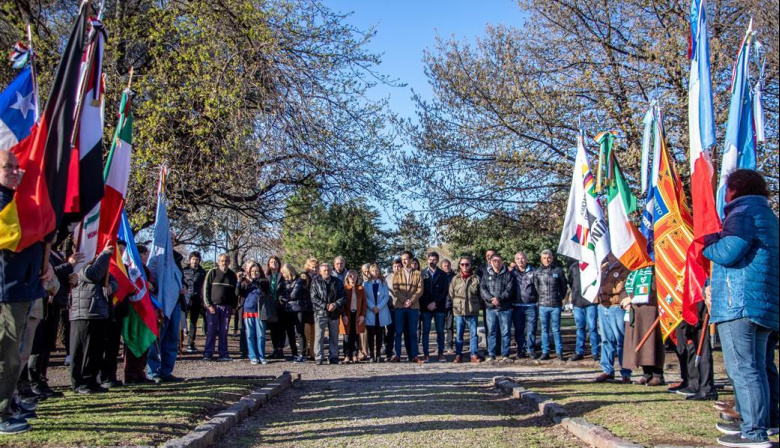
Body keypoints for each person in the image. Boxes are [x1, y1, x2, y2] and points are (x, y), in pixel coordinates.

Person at [703, 170, 778, 447]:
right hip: (761, 304)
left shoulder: (742, 213)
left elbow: (728, 252)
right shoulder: (765, 214)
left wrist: (707, 240)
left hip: (739, 303)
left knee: (744, 370)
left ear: (734, 189)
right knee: (759, 368)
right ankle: (765, 422)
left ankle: (754, 432)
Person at [69, 242, 118, 394]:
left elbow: (114, 280)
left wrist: (112, 287)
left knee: (96, 350)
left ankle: (91, 380)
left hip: (99, 312)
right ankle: (80, 382)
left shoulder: (100, 264)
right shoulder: (81, 265)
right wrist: (104, 255)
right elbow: (92, 275)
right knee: (82, 350)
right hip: (83, 312)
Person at [621, 266, 664, 386]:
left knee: (651, 343)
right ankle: (647, 373)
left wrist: (631, 298)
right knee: (639, 343)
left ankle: (657, 375)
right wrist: (624, 301)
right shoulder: (634, 271)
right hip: (635, 313)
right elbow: (624, 287)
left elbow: (655, 288)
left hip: (650, 312)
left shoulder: (655, 269)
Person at [595, 254, 631, 383]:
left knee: (621, 341)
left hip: (616, 307)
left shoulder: (624, 267)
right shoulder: (603, 267)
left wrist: (604, 288)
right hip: (603, 306)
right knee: (606, 341)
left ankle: (626, 372)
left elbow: (620, 287)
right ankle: (607, 370)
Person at [123, 244, 155, 384]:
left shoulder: (145, 270)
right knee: (133, 341)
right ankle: (131, 374)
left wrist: (151, 286)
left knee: (144, 341)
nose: (147, 256)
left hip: (146, 309)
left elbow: (152, 285)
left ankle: (140, 372)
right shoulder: (130, 268)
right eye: (144, 253)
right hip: (134, 309)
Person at [202, 253, 239, 361]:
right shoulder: (212, 272)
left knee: (224, 331)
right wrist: (208, 305)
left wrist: (234, 306)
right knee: (211, 331)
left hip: (227, 307)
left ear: (229, 262)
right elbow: (206, 289)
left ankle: (223, 354)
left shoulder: (232, 275)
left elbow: (235, 293)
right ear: (218, 262)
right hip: (213, 306)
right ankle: (208, 353)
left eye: (226, 261)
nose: (224, 263)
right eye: (222, 261)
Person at [479, 253, 514, 362]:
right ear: (490, 262)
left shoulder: (508, 275)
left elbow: (509, 290)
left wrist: (499, 299)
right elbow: (482, 289)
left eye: (499, 261)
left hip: (505, 308)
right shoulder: (485, 274)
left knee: (505, 332)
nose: (497, 263)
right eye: (494, 261)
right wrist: (491, 299)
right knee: (491, 332)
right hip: (490, 308)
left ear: (502, 262)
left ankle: (505, 355)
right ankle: (491, 354)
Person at [533, 250, 567, 361]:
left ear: (552, 258)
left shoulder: (558, 271)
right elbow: (536, 288)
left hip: (555, 305)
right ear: (541, 259)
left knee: (556, 330)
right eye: (544, 258)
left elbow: (564, 286)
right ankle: (545, 352)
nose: (547, 260)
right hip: (543, 305)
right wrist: (541, 299)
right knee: (544, 330)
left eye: (548, 257)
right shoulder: (537, 272)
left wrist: (559, 297)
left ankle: (559, 352)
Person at [240, 262, 275, 365]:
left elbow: (264, 290)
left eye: (256, 271)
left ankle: (261, 355)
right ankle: (253, 356)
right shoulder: (245, 282)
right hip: (248, 310)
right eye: (252, 271)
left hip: (260, 311)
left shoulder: (264, 281)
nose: (254, 273)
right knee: (250, 335)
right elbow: (238, 292)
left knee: (261, 335)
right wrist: (239, 280)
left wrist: (252, 281)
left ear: (260, 272)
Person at [311, 263, 346, 365]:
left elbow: (343, 296)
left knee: (334, 336)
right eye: (325, 270)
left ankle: (333, 356)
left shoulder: (337, 281)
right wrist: (326, 306)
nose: (327, 272)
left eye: (329, 270)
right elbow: (314, 297)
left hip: (334, 313)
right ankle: (319, 356)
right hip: (320, 312)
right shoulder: (315, 282)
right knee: (319, 336)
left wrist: (335, 304)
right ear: (320, 272)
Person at [392, 251, 423, 363]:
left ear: (411, 260)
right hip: (400, 306)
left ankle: (414, 355)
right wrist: (404, 300)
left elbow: (420, 289)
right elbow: (395, 289)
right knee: (398, 332)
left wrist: (411, 300)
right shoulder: (397, 273)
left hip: (413, 307)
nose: (405, 261)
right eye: (403, 259)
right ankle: (397, 355)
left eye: (406, 259)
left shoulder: (418, 274)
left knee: (413, 332)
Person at [450, 256, 481, 363]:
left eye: (467, 264)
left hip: (472, 311)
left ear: (470, 265)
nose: (465, 266)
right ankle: (458, 355)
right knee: (459, 335)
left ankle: (474, 354)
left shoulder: (476, 279)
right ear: (459, 266)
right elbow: (451, 294)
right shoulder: (455, 279)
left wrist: (476, 305)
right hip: (459, 311)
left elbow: (480, 294)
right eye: (462, 264)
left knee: (474, 335)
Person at [568, 259, 599, 362]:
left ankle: (595, 352)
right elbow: (571, 282)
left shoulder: (592, 266)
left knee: (592, 327)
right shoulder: (573, 267)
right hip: (577, 302)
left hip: (590, 301)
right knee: (580, 328)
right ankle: (579, 351)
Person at [421, 252, 448, 362]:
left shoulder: (442, 274)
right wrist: (427, 303)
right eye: (430, 259)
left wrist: (435, 303)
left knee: (440, 331)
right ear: (427, 260)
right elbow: (420, 291)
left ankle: (441, 353)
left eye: (434, 260)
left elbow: (444, 291)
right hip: (425, 307)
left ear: (437, 260)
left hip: (439, 306)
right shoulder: (422, 273)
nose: (432, 261)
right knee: (425, 331)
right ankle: (426, 354)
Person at [511, 252, 538, 359]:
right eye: (518, 258)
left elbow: (538, 288)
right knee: (519, 330)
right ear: (515, 260)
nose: (520, 260)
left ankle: (531, 350)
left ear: (526, 259)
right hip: (517, 306)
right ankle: (520, 350)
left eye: (522, 258)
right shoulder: (512, 273)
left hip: (531, 305)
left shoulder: (534, 272)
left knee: (531, 330)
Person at [281, 263, 309, 363]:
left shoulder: (299, 281)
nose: (283, 275)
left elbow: (293, 295)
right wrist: (282, 297)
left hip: (298, 308)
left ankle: (302, 354)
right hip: (288, 309)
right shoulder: (283, 282)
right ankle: (294, 353)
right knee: (290, 332)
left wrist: (283, 299)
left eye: (284, 273)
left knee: (300, 332)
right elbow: (279, 293)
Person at [364, 264, 391, 363]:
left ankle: (378, 354)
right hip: (370, 311)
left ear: (379, 271)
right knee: (370, 334)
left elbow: (386, 296)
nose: (375, 272)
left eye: (376, 270)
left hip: (381, 310)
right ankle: (372, 354)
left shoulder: (383, 283)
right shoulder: (366, 283)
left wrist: (378, 307)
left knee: (380, 333)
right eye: (373, 271)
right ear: (370, 272)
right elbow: (365, 297)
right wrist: (372, 307)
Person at [339, 270, 366, 363]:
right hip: (347, 314)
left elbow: (364, 303)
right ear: (347, 277)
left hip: (357, 314)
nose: (352, 278)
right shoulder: (344, 288)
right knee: (347, 335)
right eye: (350, 276)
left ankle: (355, 354)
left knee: (356, 335)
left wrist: (362, 315)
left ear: (357, 277)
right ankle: (347, 355)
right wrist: (344, 315)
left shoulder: (361, 288)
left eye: (354, 276)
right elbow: (342, 303)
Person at [183, 251, 207, 353]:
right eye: (193, 259)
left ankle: (190, 344)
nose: (195, 261)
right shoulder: (184, 271)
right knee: (182, 322)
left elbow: (204, 286)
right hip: (185, 299)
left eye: (197, 259)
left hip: (197, 299)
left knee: (193, 322)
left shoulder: (202, 272)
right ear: (190, 260)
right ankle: (178, 344)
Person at [267, 256, 286, 360]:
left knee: (281, 328)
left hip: (280, 305)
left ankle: (280, 349)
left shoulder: (282, 276)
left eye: (275, 262)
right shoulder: (267, 277)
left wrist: (282, 298)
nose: (273, 263)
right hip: (270, 305)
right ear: (268, 264)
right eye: (271, 262)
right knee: (273, 328)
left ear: (279, 264)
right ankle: (275, 349)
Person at [301, 258, 320, 359]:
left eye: (316, 267)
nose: (314, 269)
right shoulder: (303, 277)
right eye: (313, 267)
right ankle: (304, 351)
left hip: (316, 309)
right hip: (306, 308)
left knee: (315, 333)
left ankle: (313, 352)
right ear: (308, 267)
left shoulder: (320, 278)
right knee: (306, 332)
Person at [384, 257, 401, 360]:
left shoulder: (405, 277)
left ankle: (399, 353)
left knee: (401, 331)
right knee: (390, 331)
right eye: (394, 266)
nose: (396, 268)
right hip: (390, 308)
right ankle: (388, 352)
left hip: (402, 307)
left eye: (398, 266)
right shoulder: (387, 278)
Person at [441, 259, 456, 354]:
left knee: (449, 327)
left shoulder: (454, 277)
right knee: (440, 328)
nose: (447, 267)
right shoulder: (439, 276)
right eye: (445, 266)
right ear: (442, 267)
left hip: (451, 305)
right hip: (440, 305)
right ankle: (440, 346)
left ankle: (449, 345)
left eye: (448, 265)